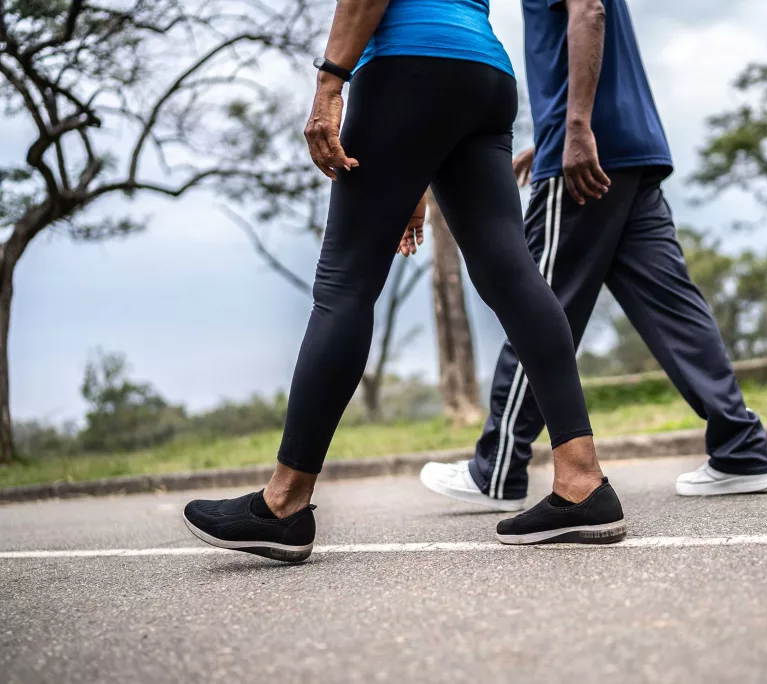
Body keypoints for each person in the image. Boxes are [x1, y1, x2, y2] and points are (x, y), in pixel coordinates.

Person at [182, 0, 628, 562]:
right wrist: (414, 178)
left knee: (344, 286)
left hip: (405, 65)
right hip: (483, 73)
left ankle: (283, 503)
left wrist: (329, 82)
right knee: (512, 276)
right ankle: (581, 482)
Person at [418, 0, 767, 511]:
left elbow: (588, 12)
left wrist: (575, 129)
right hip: (630, 146)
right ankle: (741, 448)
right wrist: (553, 135)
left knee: (532, 301)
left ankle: (497, 468)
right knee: (672, 307)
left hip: (586, 156)